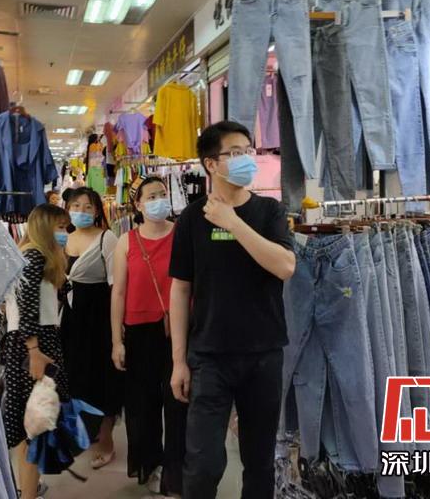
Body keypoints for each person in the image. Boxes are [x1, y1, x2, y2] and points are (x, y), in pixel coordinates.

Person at [169, 121, 296, 499]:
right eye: (235, 153)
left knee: (259, 460)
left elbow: (285, 266)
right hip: (209, 356)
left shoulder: (270, 211)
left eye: (248, 151)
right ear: (211, 164)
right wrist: (178, 361)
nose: (246, 159)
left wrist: (232, 222)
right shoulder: (191, 218)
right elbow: (180, 290)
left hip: (263, 354)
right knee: (203, 463)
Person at [111, 176, 188, 495]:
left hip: (179, 330)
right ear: (138, 204)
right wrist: (116, 341)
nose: (159, 200)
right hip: (139, 331)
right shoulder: (126, 241)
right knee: (143, 405)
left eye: (163, 194)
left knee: (178, 402)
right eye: (152, 196)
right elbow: (118, 292)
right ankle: (151, 464)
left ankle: (176, 472)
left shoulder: (183, 234)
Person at [2, 204, 71, 498]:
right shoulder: (34, 257)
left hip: (31, 342)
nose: (65, 233)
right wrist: (34, 350)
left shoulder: (30, 255)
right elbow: (27, 307)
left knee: (30, 422)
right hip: (34, 344)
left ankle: (27, 488)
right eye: (60, 227)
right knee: (35, 425)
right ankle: (28, 492)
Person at [61, 187, 122, 469]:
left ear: (97, 211)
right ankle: (84, 434)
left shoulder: (106, 239)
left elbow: (116, 287)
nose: (82, 211)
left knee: (102, 379)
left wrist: (117, 332)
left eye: (88, 207)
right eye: (76, 206)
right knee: (75, 378)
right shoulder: (63, 237)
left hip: (99, 318)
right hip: (70, 319)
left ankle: (106, 440)